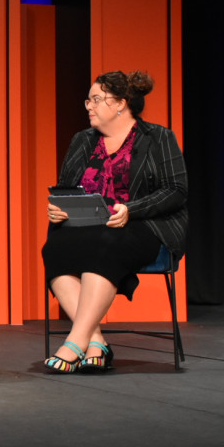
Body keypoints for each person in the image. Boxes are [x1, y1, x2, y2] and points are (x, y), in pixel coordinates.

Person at [43, 70, 187, 373]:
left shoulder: (158, 137)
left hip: (144, 227)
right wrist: (60, 209)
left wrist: (131, 210)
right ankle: (96, 342)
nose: (89, 107)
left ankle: (74, 343)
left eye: (96, 100)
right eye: (88, 100)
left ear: (120, 103)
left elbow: (176, 190)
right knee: (54, 248)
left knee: (105, 244)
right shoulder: (82, 141)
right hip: (88, 227)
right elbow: (65, 188)